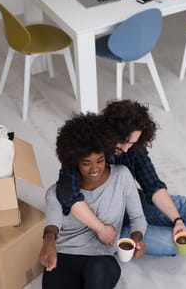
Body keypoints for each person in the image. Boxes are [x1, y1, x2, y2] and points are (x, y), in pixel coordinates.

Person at [56, 99, 186, 257]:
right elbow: (67, 195)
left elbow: (152, 185)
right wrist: (101, 229)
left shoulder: (133, 149)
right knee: (170, 243)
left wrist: (178, 220)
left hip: (133, 204)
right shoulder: (85, 144)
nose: (126, 148)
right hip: (103, 224)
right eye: (123, 141)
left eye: (131, 143)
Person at [40, 113, 147, 289]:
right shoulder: (57, 191)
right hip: (65, 257)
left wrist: (136, 239)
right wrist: (48, 242)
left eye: (100, 160)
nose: (95, 168)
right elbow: (52, 226)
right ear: (74, 162)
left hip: (101, 260)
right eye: (86, 163)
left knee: (97, 271)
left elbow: (138, 217)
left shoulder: (121, 176)